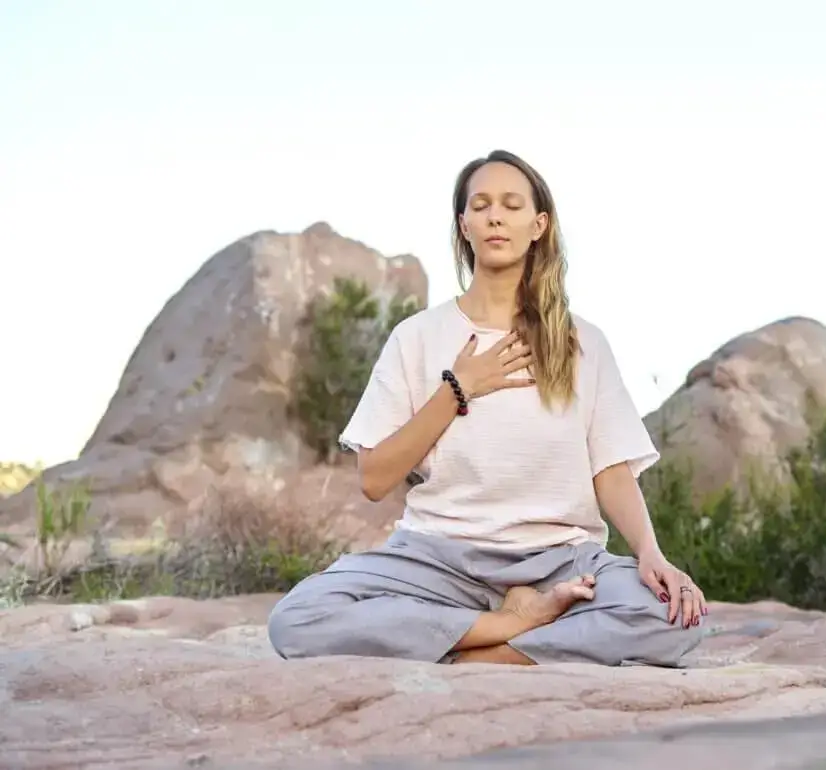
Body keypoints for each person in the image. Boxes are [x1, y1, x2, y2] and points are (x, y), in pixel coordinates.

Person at [267, 149, 709, 667]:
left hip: (560, 561)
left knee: (672, 620)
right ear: (464, 225)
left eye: (511, 205)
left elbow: (610, 470)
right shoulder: (417, 337)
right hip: (435, 558)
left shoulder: (583, 342)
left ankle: (486, 655)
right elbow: (374, 477)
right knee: (298, 619)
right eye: (480, 205)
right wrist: (457, 390)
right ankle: (511, 625)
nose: (495, 216)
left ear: (538, 224)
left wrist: (651, 555)